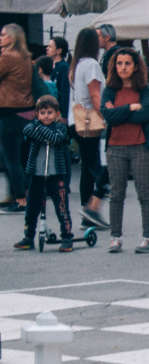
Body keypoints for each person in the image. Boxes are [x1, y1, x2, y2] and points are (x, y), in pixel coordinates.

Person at [100, 48, 149, 254]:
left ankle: (147, 238)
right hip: (115, 148)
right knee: (116, 194)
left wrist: (119, 112)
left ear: (135, 66)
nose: (122, 67)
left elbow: (148, 113)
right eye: (119, 63)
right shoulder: (109, 89)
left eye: (127, 63)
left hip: (140, 146)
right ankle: (115, 237)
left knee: (144, 193)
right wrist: (130, 108)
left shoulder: (146, 89)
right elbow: (107, 116)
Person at [14, 96, 74, 252]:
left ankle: (67, 236)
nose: (46, 115)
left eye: (49, 112)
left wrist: (39, 130)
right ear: (37, 114)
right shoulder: (31, 126)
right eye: (42, 113)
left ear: (57, 114)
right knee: (32, 207)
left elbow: (55, 138)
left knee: (61, 207)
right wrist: (42, 132)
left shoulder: (61, 128)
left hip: (56, 175)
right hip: (37, 174)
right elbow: (27, 130)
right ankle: (28, 237)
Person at [69, 27, 109, 229]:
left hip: (78, 121)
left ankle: (87, 208)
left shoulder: (77, 64)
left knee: (87, 166)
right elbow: (95, 95)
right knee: (100, 165)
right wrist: (105, 115)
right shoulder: (92, 64)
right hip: (91, 121)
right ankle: (91, 209)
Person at [0, 24, 35, 214]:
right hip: (26, 111)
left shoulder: (7, 57)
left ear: (13, 38)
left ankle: (20, 199)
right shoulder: (25, 57)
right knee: (21, 158)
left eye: (4, 35)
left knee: (10, 159)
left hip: (9, 112)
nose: (0, 37)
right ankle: (24, 195)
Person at [46, 36, 71, 120]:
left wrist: (64, 115)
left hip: (58, 112)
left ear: (59, 50)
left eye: (50, 46)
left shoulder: (64, 67)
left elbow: (65, 92)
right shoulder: (49, 67)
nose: (47, 48)